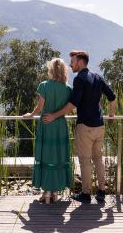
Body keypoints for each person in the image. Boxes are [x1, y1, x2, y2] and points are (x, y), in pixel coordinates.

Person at [42, 50, 116, 204]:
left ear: (81, 62)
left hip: (85, 126)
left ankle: (86, 193)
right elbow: (112, 97)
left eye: (73, 62)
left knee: (85, 161)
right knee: (98, 159)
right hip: (99, 125)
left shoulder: (79, 79)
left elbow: (72, 104)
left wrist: (54, 115)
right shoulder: (97, 77)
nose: (70, 65)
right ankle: (102, 192)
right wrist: (111, 116)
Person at [23, 57, 72, 204]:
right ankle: (55, 192)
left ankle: (47, 192)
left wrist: (30, 115)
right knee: (57, 157)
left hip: (46, 123)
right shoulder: (68, 89)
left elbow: (39, 108)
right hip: (60, 125)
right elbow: (69, 109)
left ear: (51, 70)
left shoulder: (44, 86)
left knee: (46, 156)